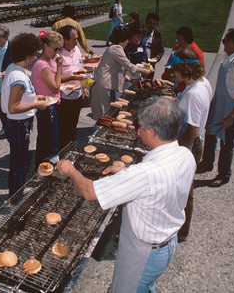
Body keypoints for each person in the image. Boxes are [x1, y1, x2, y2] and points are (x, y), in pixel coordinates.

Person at [57, 97, 196, 293]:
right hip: (166, 245)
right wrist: (125, 174)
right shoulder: (184, 155)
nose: (138, 130)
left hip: (143, 254)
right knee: (145, 287)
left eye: (140, 126)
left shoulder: (144, 174)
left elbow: (89, 192)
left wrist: (70, 170)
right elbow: (160, 185)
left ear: (151, 132)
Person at [196, 28, 234, 187]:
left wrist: (232, 116)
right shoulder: (228, 58)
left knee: (227, 143)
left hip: (230, 107)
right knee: (211, 134)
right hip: (220, 102)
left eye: (225, 41)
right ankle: (207, 163)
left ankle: (224, 174)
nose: (223, 44)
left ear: (232, 43)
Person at [1, 33, 49, 198]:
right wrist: (37, 104)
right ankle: (16, 197)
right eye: (35, 54)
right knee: (19, 163)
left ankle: (15, 193)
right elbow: (13, 107)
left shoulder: (13, 68)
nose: (36, 57)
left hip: (18, 124)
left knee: (18, 160)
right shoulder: (19, 77)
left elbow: (20, 99)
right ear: (28, 55)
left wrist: (35, 98)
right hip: (19, 124)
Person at [171, 62, 212, 242]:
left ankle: (181, 233)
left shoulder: (195, 94)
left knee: (185, 191)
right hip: (191, 144)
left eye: (175, 70)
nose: (173, 73)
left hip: (189, 146)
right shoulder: (202, 82)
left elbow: (192, 131)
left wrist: (176, 151)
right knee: (182, 189)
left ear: (184, 71)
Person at [90, 26, 149, 120]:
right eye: (126, 40)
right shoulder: (116, 49)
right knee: (105, 113)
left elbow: (119, 70)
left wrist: (130, 79)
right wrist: (144, 70)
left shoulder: (115, 48)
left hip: (104, 85)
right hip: (104, 85)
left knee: (105, 112)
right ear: (121, 39)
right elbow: (129, 66)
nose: (127, 42)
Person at [31, 31, 64, 166]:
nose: (57, 53)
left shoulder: (44, 61)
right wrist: (60, 66)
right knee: (50, 141)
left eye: (59, 49)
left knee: (45, 139)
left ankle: (42, 166)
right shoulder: (43, 65)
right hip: (47, 107)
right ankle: (46, 167)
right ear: (45, 46)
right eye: (55, 49)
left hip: (46, 105)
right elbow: (55, 87)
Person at [57, 25, 89, 149]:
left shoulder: (77, 50)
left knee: (72, 125)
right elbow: (56, 77)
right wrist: (72, 78)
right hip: (63, 98)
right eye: (74, 39)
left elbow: (81, 70)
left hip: (77, 95)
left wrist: (85, 87)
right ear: (65, 40)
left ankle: (70, 148)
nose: (77, 41)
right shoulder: (58, 54)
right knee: (62, 127)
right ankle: (61, 152)